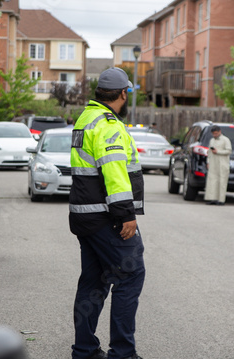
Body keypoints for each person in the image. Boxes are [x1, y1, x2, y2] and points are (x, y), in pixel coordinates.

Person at [69, 67, 145, 359]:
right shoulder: (109, 124)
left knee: (94, 281)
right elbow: (113, 173)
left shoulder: (86, 118)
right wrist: (125, 214)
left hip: (85, 216)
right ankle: (123, 353)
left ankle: (85, 350)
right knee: (131, 274)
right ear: (124, 93)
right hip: (105, 216)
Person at [204, 125, 232, 205]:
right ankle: (212, 198)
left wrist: (218, 151)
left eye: (216, 133)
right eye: (213, 134)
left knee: (222, 181)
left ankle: (221, 200)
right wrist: (208, 162)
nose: (215, 135)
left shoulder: (225, 140)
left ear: (219, 132)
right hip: (213, 163)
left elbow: (229, 151)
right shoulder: (212, 140)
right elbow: (209, 152)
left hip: (222, 163)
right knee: (212, 181)